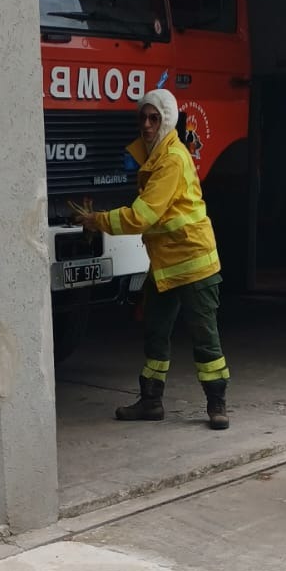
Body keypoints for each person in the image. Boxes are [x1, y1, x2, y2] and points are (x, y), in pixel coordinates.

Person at [76, 88, 230, 430]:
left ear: (167, 121)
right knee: (155, 333)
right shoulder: (157, 155)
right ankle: (151, 401)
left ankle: (217, 404)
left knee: (205, 337)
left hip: (194, 263)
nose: (146, 125)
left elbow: (141, 216)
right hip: (166, 265)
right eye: (143, 118)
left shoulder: (171, 159)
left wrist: (97, 220)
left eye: (154, 118)